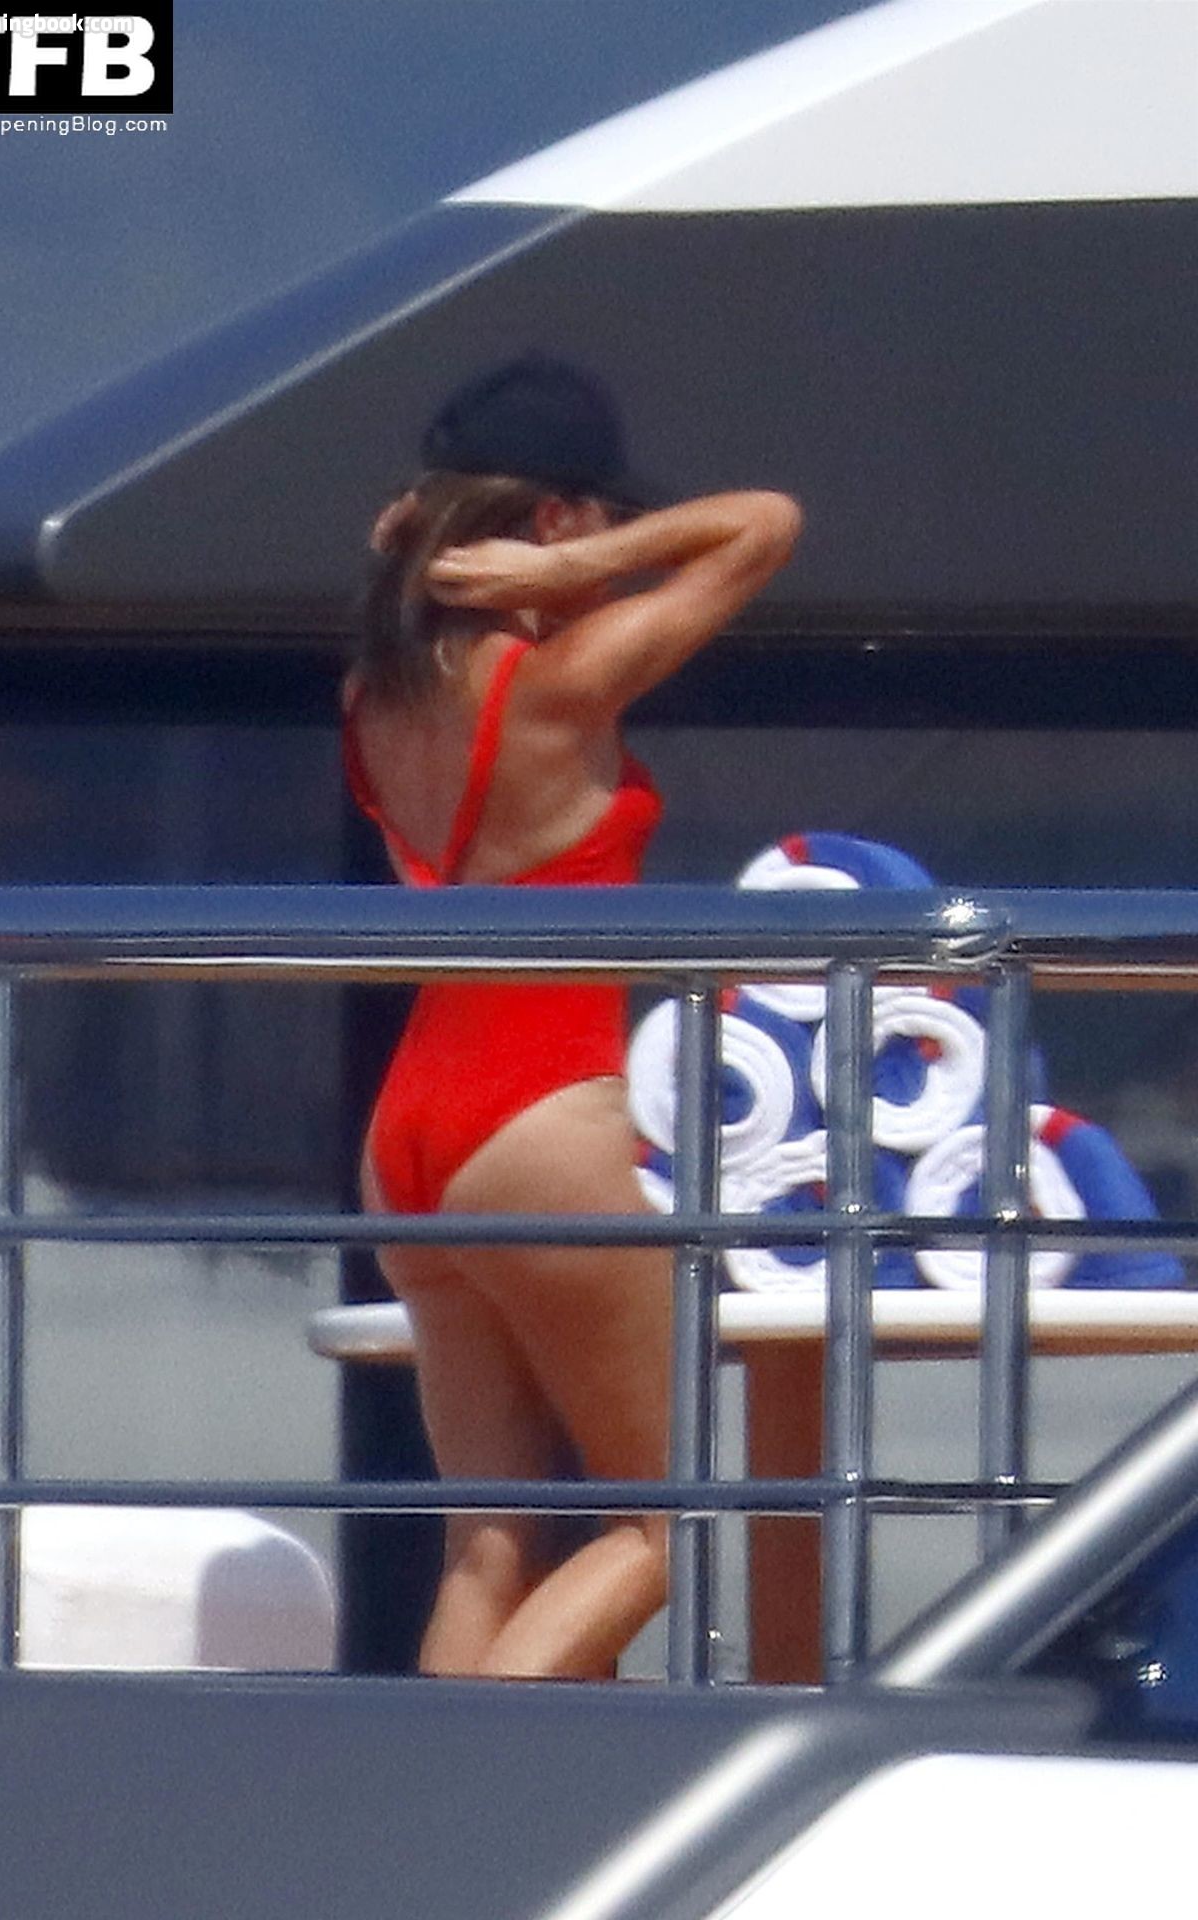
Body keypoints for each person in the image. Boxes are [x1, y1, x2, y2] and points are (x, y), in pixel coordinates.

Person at [345, 357, 802, 1679]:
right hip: (536, 1105)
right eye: (603, 518)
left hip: (409, 1131)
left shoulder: (377, 689)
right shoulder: (560, 678)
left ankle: (435, 1800)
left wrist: (444, 551)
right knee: (671, 1515)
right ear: (554, 517)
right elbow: (764, 524)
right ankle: (502, 1751)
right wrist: (563, 578)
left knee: (487, 1546)